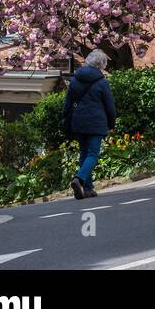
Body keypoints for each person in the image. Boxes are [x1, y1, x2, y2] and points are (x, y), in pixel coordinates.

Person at [62, 48, 116, 199]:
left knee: (84, 154)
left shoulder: (74, 81)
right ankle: (79, 178)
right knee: (92, 154)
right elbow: (110, 106)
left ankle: (87, 189)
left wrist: (66, 120)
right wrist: (111, 124)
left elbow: (67, 104)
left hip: (78, 122)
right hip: (96, 123)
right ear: (102, 65)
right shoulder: (102, 82)